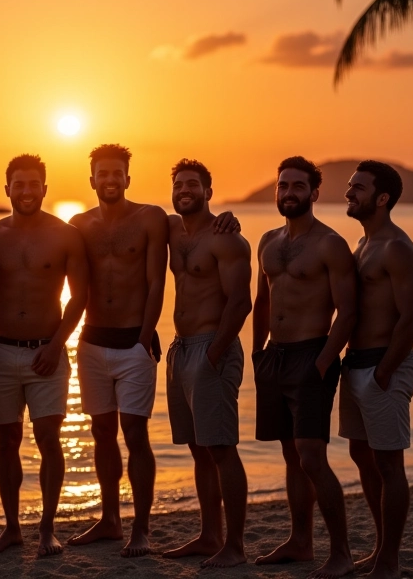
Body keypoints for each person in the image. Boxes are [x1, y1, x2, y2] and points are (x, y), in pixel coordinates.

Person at [68, 144, 237, 557]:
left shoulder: (151, 219)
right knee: (101, 433)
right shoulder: (78, 223)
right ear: (91, 180)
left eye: (117, 174)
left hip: (136, 342)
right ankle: (110, 520)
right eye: (102, 174)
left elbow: (160, 278)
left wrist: (144, 337)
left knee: (136, 434)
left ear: (128, 177)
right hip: (91, 341)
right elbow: (71, 284)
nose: (110, 180)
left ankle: (140, 529)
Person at [253, 155, 356, 579]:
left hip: (311, 355)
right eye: (283, 186)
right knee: (291, 456)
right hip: (275, 357)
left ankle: (342, 553)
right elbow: (262, 301)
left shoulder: (330, 243)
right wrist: (257, 353)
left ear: (314, 194)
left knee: (312, 456)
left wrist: (322, 363)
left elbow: (347, 312)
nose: (289, 193)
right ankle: (300, 542)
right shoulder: (267, 241)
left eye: (297, 186)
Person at [0, 154, 88, 556]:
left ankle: (47, 528)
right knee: (6, 440)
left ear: (45, 188)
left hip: (48, 350)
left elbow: (80, 296)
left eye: (34, 185)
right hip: (1, 350)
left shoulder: (65, 235)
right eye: (19, 185)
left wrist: (58, 344)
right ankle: (12, 528)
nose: (27, 192)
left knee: (48, 439)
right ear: (7, 188)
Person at [162, 159, 251, 568]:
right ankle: (208, 534)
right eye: (179, 184)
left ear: (208, 192)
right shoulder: (170, 230)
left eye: (193, 184)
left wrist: (215, 352)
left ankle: (234, 545)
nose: (185, 190)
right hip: (181, 349)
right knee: (199, 450)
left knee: (221, 448)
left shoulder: (226, 239)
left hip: (212, 348)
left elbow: (240, 302)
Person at [340, 161, 413, 579]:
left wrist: (384, 372)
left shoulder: (396, 247)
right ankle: (379, 547)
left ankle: (389, 561)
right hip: (356, 364)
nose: (349, 193)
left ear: (383, 197)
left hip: (382, 367)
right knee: (361, 455)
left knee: (390, 465)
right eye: (350, 185)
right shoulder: (362, 244)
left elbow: (412, 319)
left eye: (358, 187)